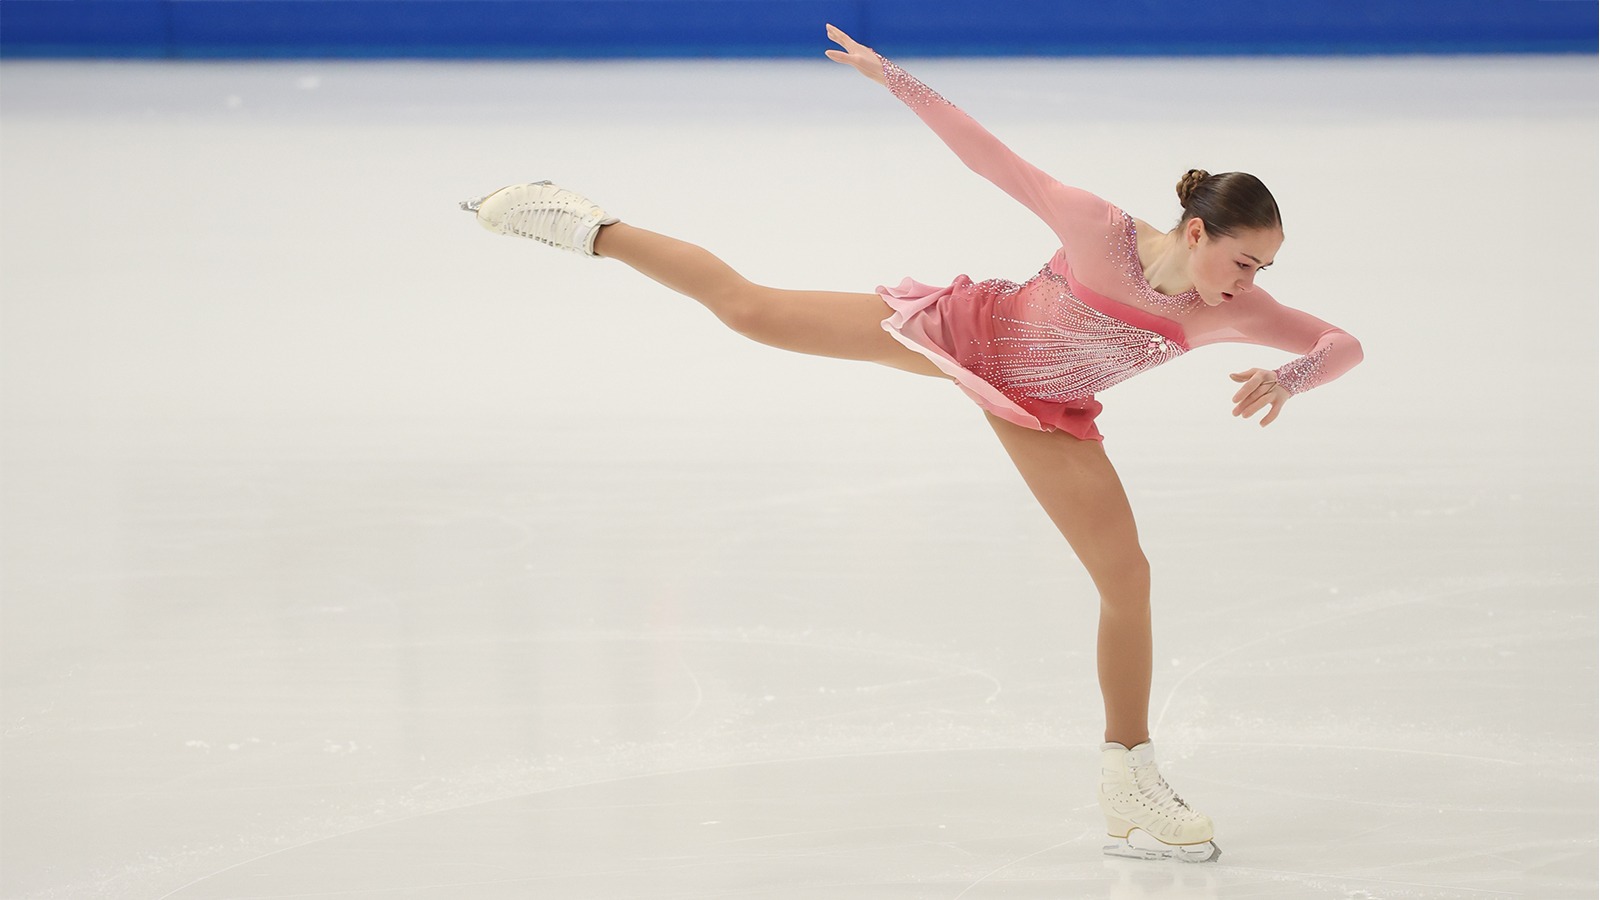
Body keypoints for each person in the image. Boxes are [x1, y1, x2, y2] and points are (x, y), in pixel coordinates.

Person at [458, 23, 1362, 864]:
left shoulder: (1232, 311)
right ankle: (582, 225)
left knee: (1127, 577)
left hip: (1044, 410)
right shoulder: (1097, 228)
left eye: (1264, 271)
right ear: (1196, 232)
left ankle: (1129, 782)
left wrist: (1288, 377)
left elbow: (1342, 345)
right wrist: (892, 78)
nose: (1251, 284)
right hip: (965, 333)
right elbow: (989, 156)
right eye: (1244, 261)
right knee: (754, 311)